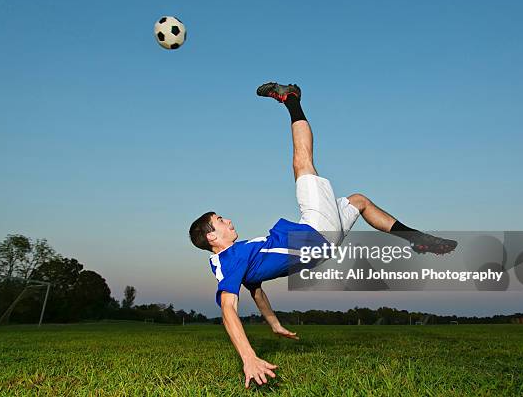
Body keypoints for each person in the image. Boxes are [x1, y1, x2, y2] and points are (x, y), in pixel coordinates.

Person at [188, 82, 457, 388]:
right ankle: (290, 100)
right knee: (302, 161)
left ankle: (416, 239)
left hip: (322, 243)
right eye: (220, 220)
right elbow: (227, 309)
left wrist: (275, 325)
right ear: (212, 237)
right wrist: (248, 357)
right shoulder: (230, 259)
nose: (228, 219)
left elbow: (257, 293)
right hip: (314, 233)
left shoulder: (235, 263)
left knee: (359, 202)